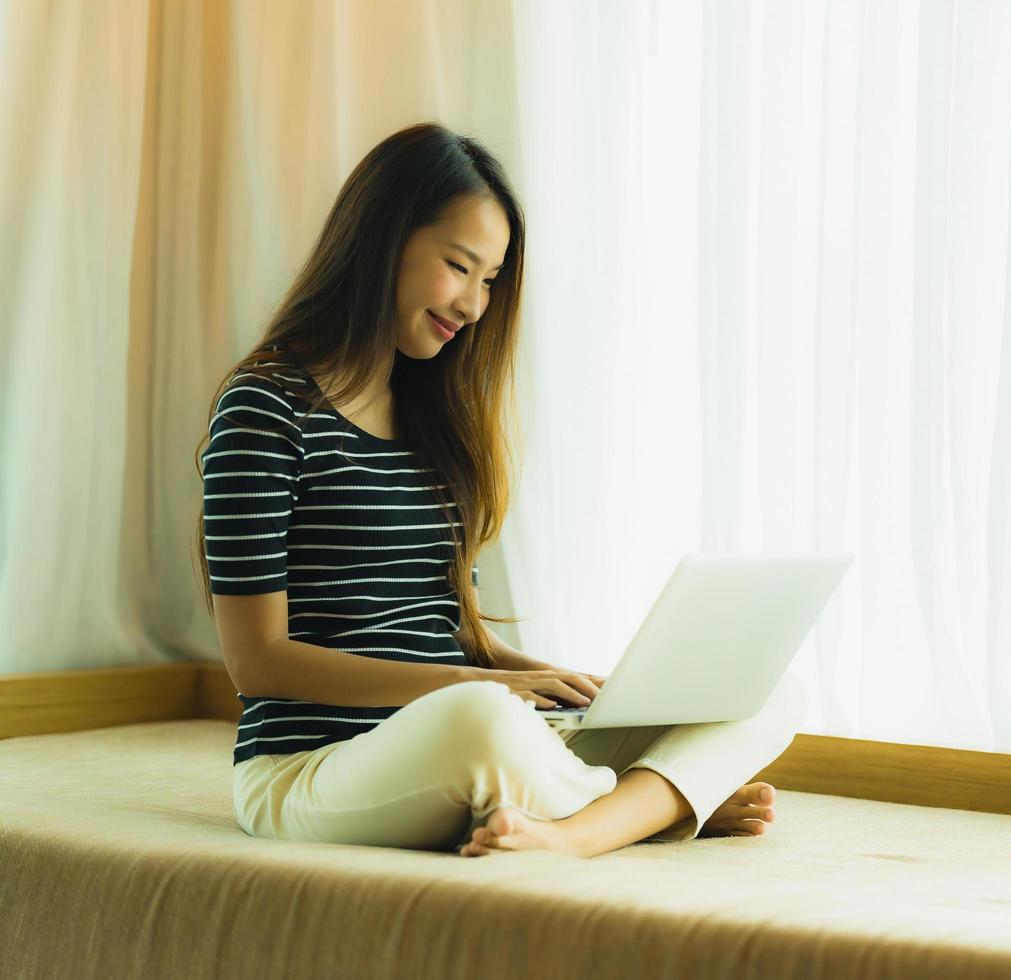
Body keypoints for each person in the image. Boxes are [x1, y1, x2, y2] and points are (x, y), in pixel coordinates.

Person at [193, 122, 807, 858]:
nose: (476, 306)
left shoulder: (432, 420)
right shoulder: (265, 406)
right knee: (482, 721)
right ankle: (653, 808)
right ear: (383, 239)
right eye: (460, 266)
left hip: (452, 727)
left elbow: (451, 630)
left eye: (490, 281)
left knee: (763, 692)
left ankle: (583, 819)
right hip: (309, 769)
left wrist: (556, 682)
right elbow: (257, 660)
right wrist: (472, 691)